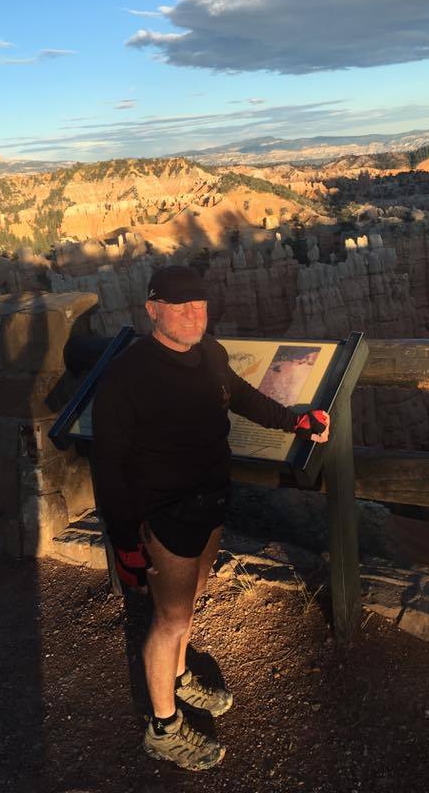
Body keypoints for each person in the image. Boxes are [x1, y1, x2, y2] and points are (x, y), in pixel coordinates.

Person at [91, 265, 330, 772]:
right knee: (171, 618)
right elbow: (107, 465)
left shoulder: (211, 354)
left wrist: (296, 422)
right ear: (152, 310)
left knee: (192, 597)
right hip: (165, 513)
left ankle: (179, 677)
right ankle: (163, 727)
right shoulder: (127, 376)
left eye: (199, 305)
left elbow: (242, 397)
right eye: (179, 306)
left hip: (210, 502)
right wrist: (124, 541)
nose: (193, 315)